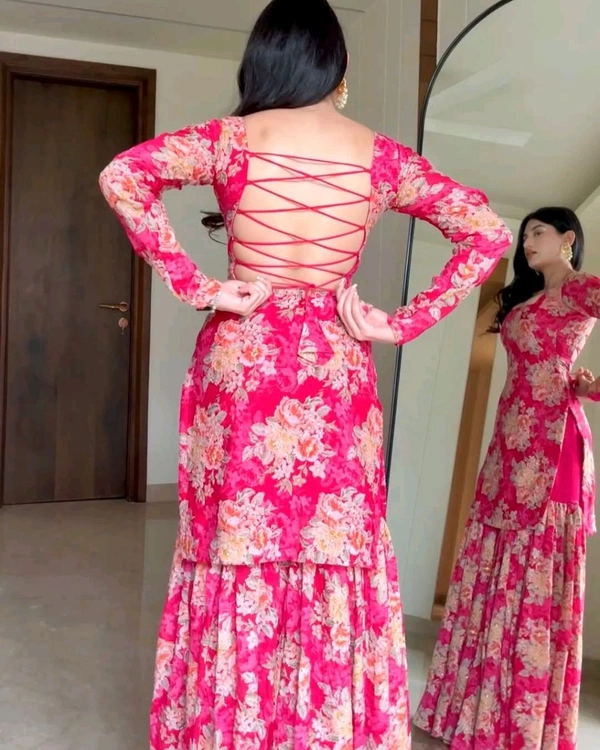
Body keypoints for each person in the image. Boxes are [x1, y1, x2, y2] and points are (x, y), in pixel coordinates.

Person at [99, 1, 511, 747]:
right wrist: (402, 322)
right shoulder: (379, 156)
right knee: (335, 543)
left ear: (264, 63)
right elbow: (486, 232)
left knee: (235, 542)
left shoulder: (229, 141)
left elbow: (123, 175)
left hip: (244, 359)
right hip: (334, 364)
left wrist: (200, 286)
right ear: (337, 71)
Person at [415, 206, 600, 750]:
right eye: (524, 235)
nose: (528, 242)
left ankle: (518, 725)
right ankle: (473, 713)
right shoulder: (528, 298)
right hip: (508, 444)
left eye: (538, 232)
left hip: (553, 445)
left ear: (568, 239)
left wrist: (593, 387)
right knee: (492, 564)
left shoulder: (579, 289)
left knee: (535, 567)